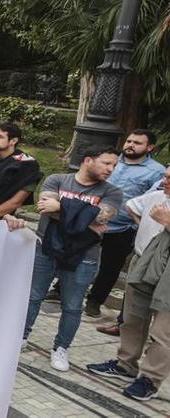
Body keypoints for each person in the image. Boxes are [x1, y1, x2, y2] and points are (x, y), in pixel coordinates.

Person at [24, 145, 123, 372]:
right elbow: (45, 207)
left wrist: (61, 206)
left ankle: (61, 347)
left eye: (114, 165)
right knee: (33, 295)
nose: (111, 169)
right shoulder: (57, 179)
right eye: (106, 163)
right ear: (88, 160)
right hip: (46, 247)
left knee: (72, 305)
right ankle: (21, 336)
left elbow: (102, 217)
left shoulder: (112, 192)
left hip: (84, 254)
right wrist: (84, 216)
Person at [86, 166, 170, 401]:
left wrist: (167, 223)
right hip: (143, 263)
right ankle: (126, 364)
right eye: (165, 176)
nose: (165, 181)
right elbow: (133, 206)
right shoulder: (156, 197)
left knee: (163, 332)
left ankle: (149, 379)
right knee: (132, 319)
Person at [85, 130, 166, 318]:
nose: (130, 145)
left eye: (137, 143)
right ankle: (59, 290)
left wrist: (139, 225)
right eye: (129, 141)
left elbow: (154, 199)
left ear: (150, 147)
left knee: (110, 267)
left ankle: (95, 301)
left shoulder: (157, 171)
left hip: (123, 226)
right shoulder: (111, 161)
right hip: (92, 220)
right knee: (79, 255)